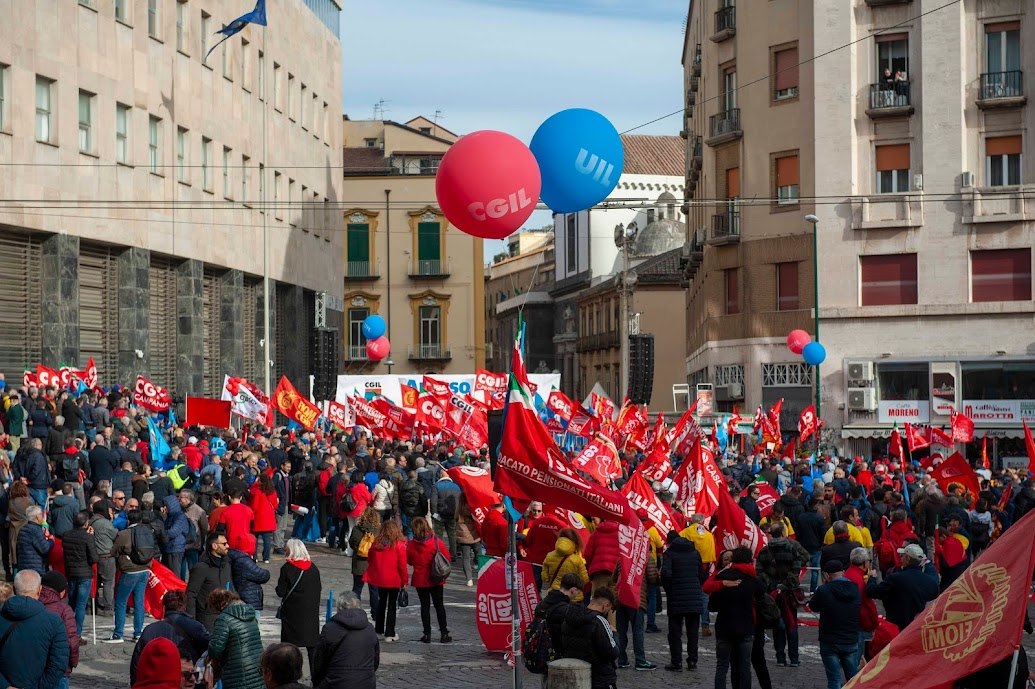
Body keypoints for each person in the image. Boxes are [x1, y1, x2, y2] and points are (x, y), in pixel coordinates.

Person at [704, 546, 764, 689]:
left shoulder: (723, 577)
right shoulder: (752, 579)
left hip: (725, 627)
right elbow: (761, 595)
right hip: (745, 627)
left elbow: (712, 606)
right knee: (744, 666)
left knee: (722, 665)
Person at [0, 570, 70, 689]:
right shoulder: (54, 621)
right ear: (39, 590)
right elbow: (59, 663)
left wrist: (5, 686)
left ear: (14, 589)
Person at [756, 522, 810, 667]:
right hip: (789, 593)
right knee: (791, 624)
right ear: (783, 532)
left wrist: (772, 585)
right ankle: (794, 658)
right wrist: (787, 583)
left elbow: (759, 571)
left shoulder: (764, 551)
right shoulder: (792, 548)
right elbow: (797, 566)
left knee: (777, 624)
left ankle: (780, 657)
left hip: (772, 594)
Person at [129, 590, 211, 685]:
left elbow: (137, 663)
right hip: (186, 681)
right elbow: (209, 651)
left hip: (157, 681)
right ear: (184, 607)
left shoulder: (150, 630)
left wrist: (135, 684)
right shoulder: (196, 627)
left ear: (164, 608)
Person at [312, 592, 380, 689]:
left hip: (336, 683)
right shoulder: (369, 629)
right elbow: (375, 662)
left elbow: (319, 663)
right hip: (366, 684)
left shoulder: (330, 628)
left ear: (339, 608)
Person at [865, 543, 939, 633]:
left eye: (902, 556)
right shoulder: (930, 582)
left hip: (896, 628)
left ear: (907, 559)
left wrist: (872, 578)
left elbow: (873, 592)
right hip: (918, 629)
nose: (900, 559)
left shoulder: (895, 578)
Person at [809, 560, 861, 689]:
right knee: (853, 678)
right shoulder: (854, 588)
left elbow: (813, 606)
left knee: (834, 678)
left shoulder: (823, 590)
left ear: (827, 575)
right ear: (843, 572)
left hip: (829, 640)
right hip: (850, 638)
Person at [106, 509, 154, 643]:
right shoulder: (147, 532)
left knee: (121, 602)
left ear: (128, 520)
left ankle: (118, 634)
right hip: (144, 570)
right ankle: (138, 633)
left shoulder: (123, 534)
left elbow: (114, 551)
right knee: (139, 602)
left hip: (129, 570)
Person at [661, 530, 705, 672]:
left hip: (676, 598)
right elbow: (701, 574)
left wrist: (669, 590)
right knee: (693, 632)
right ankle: (692, 661)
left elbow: (666, 574)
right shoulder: (694, 552)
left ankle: (677, 662)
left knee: (675, 633)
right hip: (694, 597)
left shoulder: (669, 553)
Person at [276, 539, 323, 672]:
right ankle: (316, 678)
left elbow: (281, 591)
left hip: (292, 615)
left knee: (289, 648)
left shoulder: (287, 568)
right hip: (310, 614)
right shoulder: (313, 568)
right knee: (312, 647)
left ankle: (290, 675)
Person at [561, 586, 619, 689]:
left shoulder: (569, 618)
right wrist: (613, 633)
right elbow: (612, 652)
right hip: (598, 677)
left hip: (576, 676)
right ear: (605, 605)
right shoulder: (599, 621)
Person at [406, 516, 451, 643]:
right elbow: (446, 557)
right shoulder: (436, 542)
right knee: (439, 606)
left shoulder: (411, 545)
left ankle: (427, 634)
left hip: (420, 578)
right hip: (436, 578)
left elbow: (409, 560)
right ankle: (444, 633)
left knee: (424, 607)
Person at [208, 589, 265, 689]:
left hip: (237, 671)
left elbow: (215, 649)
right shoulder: (250, 614)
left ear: (218, 604)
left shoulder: (223, 619)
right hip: (257, 665)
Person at [363, 520, 407, 642]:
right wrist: (404, 581)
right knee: (392, 606)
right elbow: (402, 566)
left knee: (381, 603)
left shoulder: (377, 543)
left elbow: (370, 558)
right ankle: (390, 632)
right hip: (394, 579)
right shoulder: (399, 545)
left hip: (380, 579)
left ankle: (379, 630)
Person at [39, 571, 80, 689]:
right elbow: (72, 640)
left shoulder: (33, 604)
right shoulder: (64, 610)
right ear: (62, 592)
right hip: (58, 668)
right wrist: (73, 662)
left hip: (35, 667)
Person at [61, 509, 99, 635]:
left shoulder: (66, 535)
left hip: (71, 572)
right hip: (84, 574)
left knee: (71, 603)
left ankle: (68, 628)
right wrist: (90, 538)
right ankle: (77, 633)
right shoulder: (87, 537)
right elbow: (94, 558)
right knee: (81, 605)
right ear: (86, 523)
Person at [186, 532, 232, 631]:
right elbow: (191, 594)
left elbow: (230, 588)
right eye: (224, 544)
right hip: (206, 618)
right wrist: (191, 621)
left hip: (225, 617)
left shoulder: (226, 566)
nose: (227, 546)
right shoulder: (201, 567)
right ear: (214, 546)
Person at [542, 528, 590, 601]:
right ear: (575, 541)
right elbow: (585, 579)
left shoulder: (549, 556)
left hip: (554, 594)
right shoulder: (577, 560)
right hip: (572, 598)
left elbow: (545, 577)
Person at [229, 534, 271, 616]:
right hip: (249, 598)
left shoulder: (237, 557)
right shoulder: (244, 560)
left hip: (244, 595)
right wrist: (267, 572)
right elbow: (262, 575)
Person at [349, 507, 381, 613]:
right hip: (373, 564)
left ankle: (355, 611)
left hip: (359, 563)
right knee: (374, 590)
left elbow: (352, 543)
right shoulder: (379, 531)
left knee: (357, 589)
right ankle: (375, 612)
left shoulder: (357, 529)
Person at [90, 498, 119, 614]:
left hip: (94, 556)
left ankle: (92, 606)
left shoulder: (90, 521)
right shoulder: (105, 524)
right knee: (108, 583)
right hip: (106, 556)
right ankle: (108, 607)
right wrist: (111, 521)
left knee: (95, 583)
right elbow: (116, 535)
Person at [178, 489, 208, 579]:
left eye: (181, 498)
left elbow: (205, 529)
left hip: (194, 545)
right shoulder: (178, 509)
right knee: (180, 570)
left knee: (194, 569)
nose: (179, 499)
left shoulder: (199, 511)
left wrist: (201, 544)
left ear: (188, 499)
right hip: (181, 545)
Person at [16, 504, 54, 575]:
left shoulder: (22, 529)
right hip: (36, 569)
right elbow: (45, 548)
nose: (42, 517)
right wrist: (51, 540)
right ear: (37, 516)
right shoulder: (35, 530)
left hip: (23, 567)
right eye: (41, 514)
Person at [249, 473, 279, 563]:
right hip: (269, 518)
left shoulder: (258, 491)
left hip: (258, 518)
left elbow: (254, 506)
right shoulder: (273, 491)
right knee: (267, 540)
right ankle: (266, 557)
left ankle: (254, 556)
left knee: (255, 539)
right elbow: (275, 505)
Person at [430, 472, 461, 558]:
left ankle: (440, 554)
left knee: (439, 535)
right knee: (452, 535)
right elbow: (459, 501)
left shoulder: (436, 486)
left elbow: (433, 502)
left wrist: (434, 514)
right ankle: (453, 554)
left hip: (440, 514)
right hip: (453, 515)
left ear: (440, 475)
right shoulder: (456, 486)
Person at [161, 494, 190, 579]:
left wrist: (162, 533)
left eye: (166, 506)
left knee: (174, 575)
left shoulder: (179, 517)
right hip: (169, 548)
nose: (164, 508)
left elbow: (173, 532)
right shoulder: (170, 516)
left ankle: (178, 591)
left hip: (175, 548)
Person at [455, 497, 481, 586]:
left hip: (463, 538)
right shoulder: (473, 508)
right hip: (475, 536)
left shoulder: (459, 509)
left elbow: (455, 518)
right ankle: (479, 572)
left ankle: (469, 579)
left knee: (466, 558)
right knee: (479, 554)